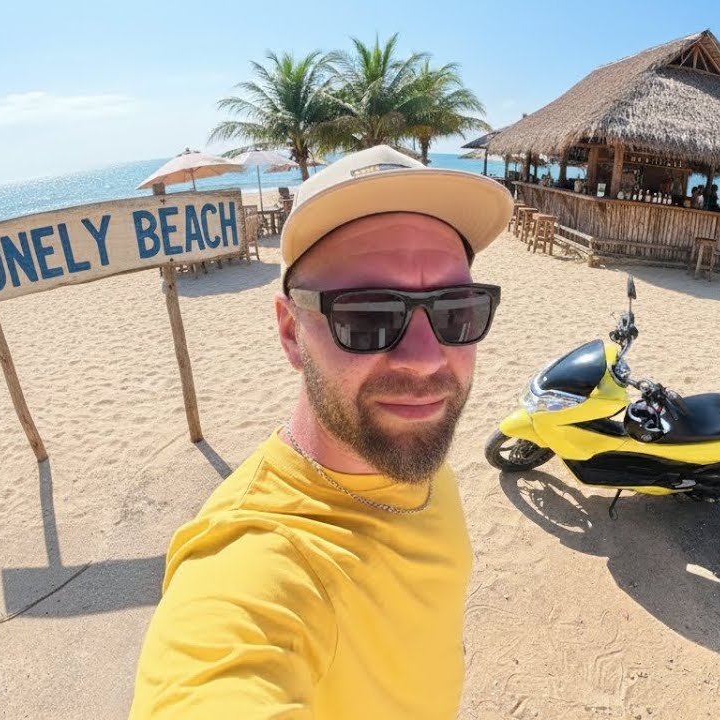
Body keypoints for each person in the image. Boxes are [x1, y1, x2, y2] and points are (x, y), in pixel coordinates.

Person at [128, 145, 514, 719]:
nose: (427, 358)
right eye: (367, 316)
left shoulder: (408, 451)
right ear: (291, 333)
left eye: (456, 309)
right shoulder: (256, 559)